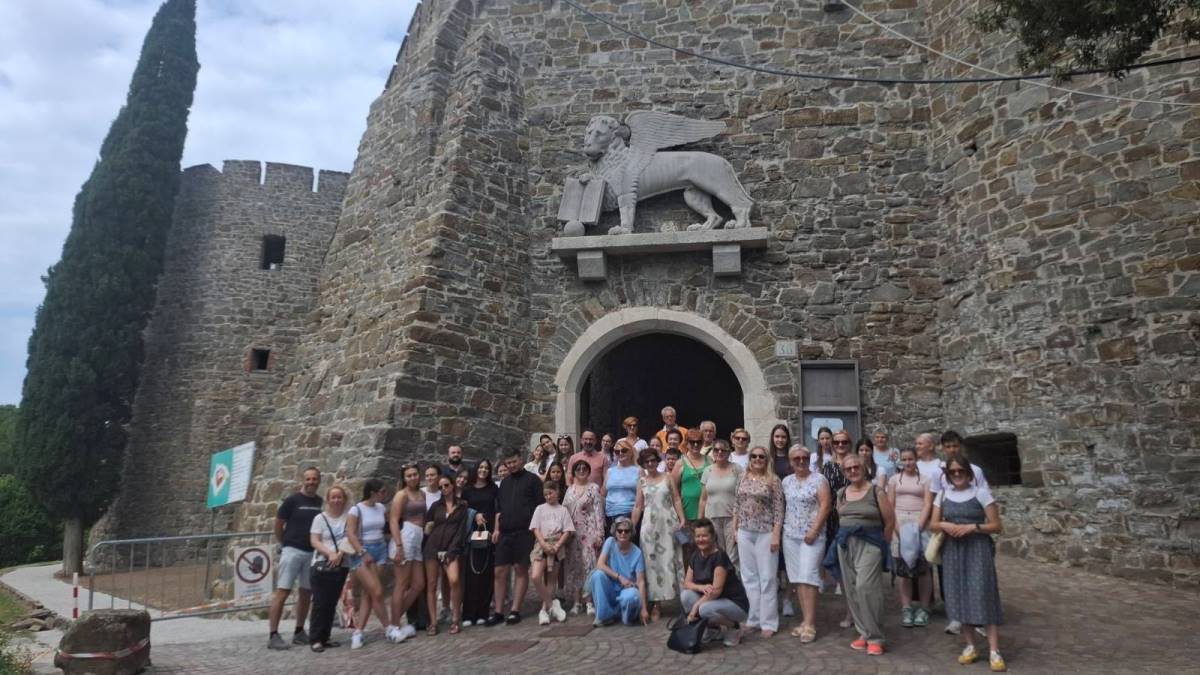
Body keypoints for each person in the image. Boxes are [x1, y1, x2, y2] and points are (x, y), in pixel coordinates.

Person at [933, 455, 1006, 672]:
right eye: (952, 471)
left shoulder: (980, 493)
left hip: (977, 549)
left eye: (961, 470)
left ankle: (994, 650)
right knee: (959, 594)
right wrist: (946, 525)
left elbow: (996, 525)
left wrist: (973, 527)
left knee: (983, 594)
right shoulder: (943, 495)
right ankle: (971, 645)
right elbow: (933, 523)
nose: (957, 474)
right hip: (953, 550)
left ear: (969, 472)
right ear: (947, 475)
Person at [822, 453, 894, 656]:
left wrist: (883, 545)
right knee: (852, 590)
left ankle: (876, 637)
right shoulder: (841, 493)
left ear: (864, 469)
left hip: (870, 543)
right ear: (844, 472)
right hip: (845, 544)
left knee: (866, 587)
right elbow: (841, 517)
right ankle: (864, 632)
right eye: (848, 469)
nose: (853, 471)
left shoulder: (876, 491)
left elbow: (890, 521)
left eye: (856, 467)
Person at [731, 446, 784, 638]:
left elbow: (779, 509)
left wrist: (776, 534)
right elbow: (737, 504)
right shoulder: (742, 477)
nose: (757, 459)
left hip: (766, 532)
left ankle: (769, 622)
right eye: (753, 456)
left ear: (766, 459)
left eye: (761, 456)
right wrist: (734, 529)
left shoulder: (773, 480)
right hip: (745, 531)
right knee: (749, 577)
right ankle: (753, 619)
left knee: (767, 578)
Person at [268, 467, 322, 650]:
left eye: (314, 479)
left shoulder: (320, 502)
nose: (311, 482)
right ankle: (273, 635)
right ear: (303, 480)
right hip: (292, 551)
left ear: (319, 481)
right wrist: (285, 543)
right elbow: (278, 525)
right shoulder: (292, 501)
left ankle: (299, 631)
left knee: (306, 593)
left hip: (311, 553)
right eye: (308, 479)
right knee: (282, 592)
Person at [488, 449, 543, 626]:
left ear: (520, 460)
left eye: (514, 461)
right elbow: (499, 508)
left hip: (524, 532)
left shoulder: (533, 480)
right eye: (508, 463)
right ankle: (498, 611)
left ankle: (515, 610)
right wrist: (497, 528)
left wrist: (537, 532)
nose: (511, 465)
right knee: (499, 571)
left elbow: (540, 507)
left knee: (520, 569)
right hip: (505, 532)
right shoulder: (504, 483)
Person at [782, 445, 830, 644]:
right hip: (790, 535)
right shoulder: (786, 481)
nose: (801, 461)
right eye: (796, 458)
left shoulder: (819, 479)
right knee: (797, 578)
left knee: (809, 577)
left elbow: (825, 505)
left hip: (812, 536)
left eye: (804, 457)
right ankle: (805, 620)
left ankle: (810, 624)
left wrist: (814, 530)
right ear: (790, 461)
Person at [631, 448, 685, 621]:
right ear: (643, 464)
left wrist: (682, 519)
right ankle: (656, 604)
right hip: (649, 528)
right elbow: (638, 506)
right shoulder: (641, 482)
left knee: (673, 560)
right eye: (646, 462)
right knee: (652, 564)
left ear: (657, 460)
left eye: (653, 460)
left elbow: (676, 499)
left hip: (669, 525)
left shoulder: (668, 477)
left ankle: (682, 601)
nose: (650, 464)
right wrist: (631, 526)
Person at [681, 518, 749, 646]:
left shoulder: (720, 556)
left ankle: (734, 627)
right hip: (713, 600)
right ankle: (712, 629)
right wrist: (701, 587)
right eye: (698, 536)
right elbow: (687, 583)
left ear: (712, 537)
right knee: (686, 595)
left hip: (734, 604)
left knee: (704, 609)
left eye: (704, 536)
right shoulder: (695, 555)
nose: (700, 539)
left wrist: (695, 608)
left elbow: (716, 591)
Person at [887, 447, 933, 628]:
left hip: (919, 522)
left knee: (923, 568)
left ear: (916, 460)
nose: (907, 463)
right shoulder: (894, 480)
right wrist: (897, 528)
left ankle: (924, 607)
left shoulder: (925, 480)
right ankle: (906, 607)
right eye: (904, 459)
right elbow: (890, 505)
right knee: (903, 569)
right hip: (900, 522)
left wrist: (919, 527)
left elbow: (928, 503)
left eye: (910, 459)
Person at [345, 479, 392, 649]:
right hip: (363, 551)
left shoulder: (381, 508)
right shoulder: (356, 509)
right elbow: (350, 533)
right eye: (382, 492)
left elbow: (386, 527)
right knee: (377, 591)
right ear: (372, 493)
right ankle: (389, 628)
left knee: (369, 593)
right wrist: (362, 552)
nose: (384, 495)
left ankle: (359, 632)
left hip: (380, 549)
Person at [423, 475, 468, 634]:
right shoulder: (436, 506)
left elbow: (461, 531)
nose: (444, 489)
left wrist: (452, 550)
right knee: (432, 584)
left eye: (446, 485)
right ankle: (433, 622)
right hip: (433, 547)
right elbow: (427, 525)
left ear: (453, 485)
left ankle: (455, 618)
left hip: (451, 548)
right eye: (440, 487)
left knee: (454, 580)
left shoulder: (462, 506)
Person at [307, 484, 349, 652]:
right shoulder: (320, 518)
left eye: (339, 497)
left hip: (341, 564)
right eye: (333, 497)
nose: (336, 500)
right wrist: (330, 553)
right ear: (328, 500)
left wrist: (340, 554)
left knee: (331, 602)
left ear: (344, 499)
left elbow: (350, 537)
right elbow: (314, 540)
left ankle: (325, 637)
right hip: (321, 564)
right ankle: (315, 638)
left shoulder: (348, 517)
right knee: (320, 602)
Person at [386, 465, 426, 644]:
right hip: (406, 535)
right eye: (409, 475)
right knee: (401, 584)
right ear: (404, 478)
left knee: (418, 584)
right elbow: (393, 520)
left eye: (415, 474)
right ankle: (394, 626)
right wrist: (399, 545)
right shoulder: (401, 495)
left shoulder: (422, 493)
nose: (412, 478)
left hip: (418, 536)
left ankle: (392, 621)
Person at [588, 517, 649, 626]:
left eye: (626, 531)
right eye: (620, 531)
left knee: (632, 596)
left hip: (627, 589)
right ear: (615, 532)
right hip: (611, 587)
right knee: (597, 575)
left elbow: (641, 582)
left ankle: (625, 616)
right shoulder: (610, 542)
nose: (623, 533)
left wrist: (644, 609)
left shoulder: (637, 553)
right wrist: (619, 577)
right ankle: (604, 616)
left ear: (631, 533)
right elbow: (600, 564)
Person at [529, 480, 575, 624]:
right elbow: (535, 528)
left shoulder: (563, 510)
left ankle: (544, 610)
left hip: (556, 545)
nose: (548, 496)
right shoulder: (540, 509)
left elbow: (567, 530)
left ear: (557, 492)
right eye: (546, 494)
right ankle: (552, 605)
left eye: (551, 493)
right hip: (541, 545)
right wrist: (543, 544)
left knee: (551, 580)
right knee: (536, 576)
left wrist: (558, 545)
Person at [563, 460, 605, 616]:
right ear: (574, 472)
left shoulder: (594, 488)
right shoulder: (570, 490)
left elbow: (598, 512)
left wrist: (599, 534)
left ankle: (589, 601)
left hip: (589, 533)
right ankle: (576, 601)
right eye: (578, 469)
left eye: (584, 469)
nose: (581, 471)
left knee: (589, 565)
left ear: (588, 471)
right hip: (573, 534)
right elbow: (564, 512)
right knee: (575, 567)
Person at [460, 459, 498, 627]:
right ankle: (468, 613)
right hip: (472, 535)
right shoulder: (467, 490)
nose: (483, 470)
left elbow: (497, 510)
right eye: (481, 467)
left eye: (486, 468)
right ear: (476, 469)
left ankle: (483, 612)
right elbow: (462, 509)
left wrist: (495, 529)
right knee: (471, 574)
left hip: (488, 533)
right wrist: (474, 514)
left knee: (486, 574)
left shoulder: (493, 488)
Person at [698, 441, 743, 562]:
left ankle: (733, 574)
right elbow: (703, 499)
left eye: (723, 450)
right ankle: (719, 574)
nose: (719, 452)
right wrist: (700, 521)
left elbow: (742, 496)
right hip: (712, 517)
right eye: (716, 450)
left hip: (732, 518)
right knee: (717, 553)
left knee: (733, 555)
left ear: (729, 452)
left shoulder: (737, 469)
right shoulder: (707, 471)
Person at [603, 439, 640, 535]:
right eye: (617, 451)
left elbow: (640, 500)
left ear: (631, 452)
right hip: (610, 515)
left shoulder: (638, 471)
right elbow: (603, 494)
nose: (620, 453)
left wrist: (633, 525)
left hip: (629, 513)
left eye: (624, 450)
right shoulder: (610, 471)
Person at [674, 429, 710, 524]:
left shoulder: (709, 460)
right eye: (692, 442)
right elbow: (674, 491)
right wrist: (680, 516)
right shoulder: (680, 463)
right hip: (687, 512)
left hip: (708, 511)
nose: (695, 444)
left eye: (699, 442)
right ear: (686, 443)